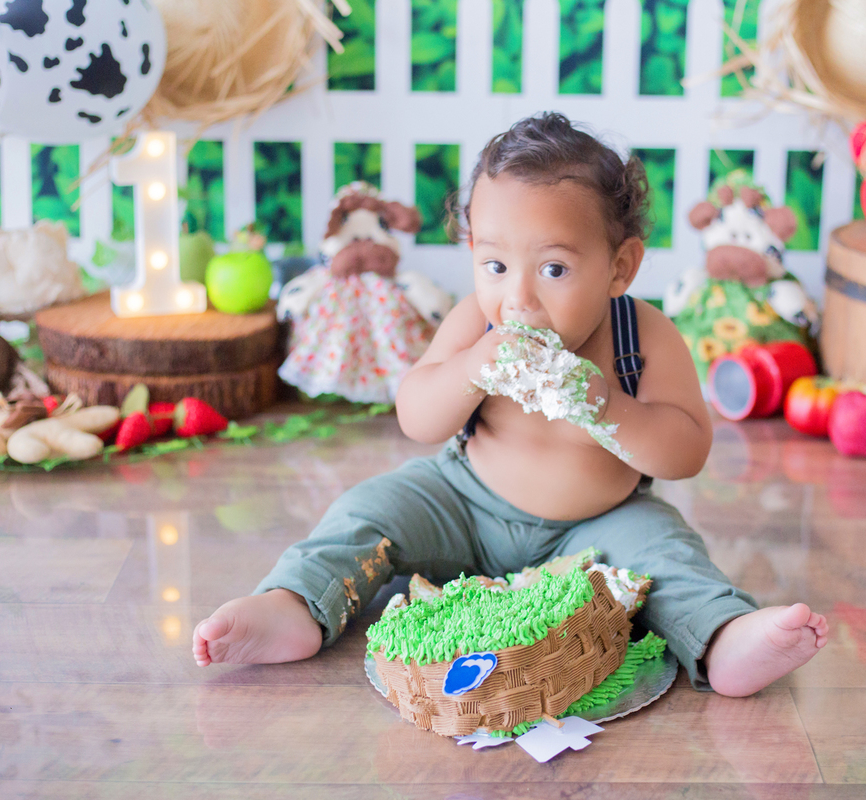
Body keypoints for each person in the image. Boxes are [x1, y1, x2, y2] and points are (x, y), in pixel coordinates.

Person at [192, 112, 828, 697]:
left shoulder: (644, 334)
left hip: (598, 524)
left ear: (620, 268)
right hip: (463, 503)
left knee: (668, 555)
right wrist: (472, 368)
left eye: (553, 270)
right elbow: (417, 415)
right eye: (495, 264)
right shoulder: (476, 321)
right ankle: (295, 604)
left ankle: (722, 637)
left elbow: (686, 451)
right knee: (365, 510)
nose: (517, 298)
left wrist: (604, 404)